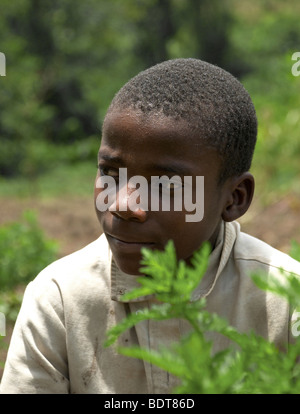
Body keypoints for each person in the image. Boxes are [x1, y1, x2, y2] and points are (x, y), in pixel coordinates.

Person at [1, 58, 300, 394]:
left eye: (165, 186)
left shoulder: (285, 303)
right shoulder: (60, 301)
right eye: (111, 175)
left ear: (235, 198)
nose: (123, 205)